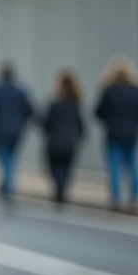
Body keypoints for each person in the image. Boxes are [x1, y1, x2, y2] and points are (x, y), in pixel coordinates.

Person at [0, 62, 34, 200]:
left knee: (5, 159)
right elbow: (30, 111)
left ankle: (7, 187)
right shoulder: (21, 91)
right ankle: (7, 185)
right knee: (10, 159)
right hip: (16, 131)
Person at [94, 55, 138, 213]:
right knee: (133, 167)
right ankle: (134, 199)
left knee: (114, 168)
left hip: (113, 134)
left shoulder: (109, 91)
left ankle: (115, 200)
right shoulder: (136, 91)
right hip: (131, 135)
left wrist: (111, 120)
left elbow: (98, 112)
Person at [39, 69, 84, 205]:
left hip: (54, 142)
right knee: (66, 169)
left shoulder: (55, 104)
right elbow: (80, 125)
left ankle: (59, 190)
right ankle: (62, 189)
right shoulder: (74, 104)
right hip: (70, 143)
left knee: (55, 168)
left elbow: (45, 122)